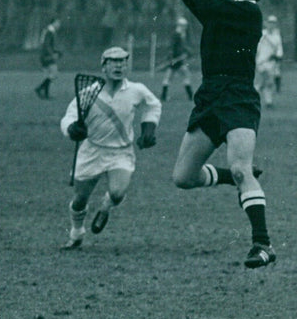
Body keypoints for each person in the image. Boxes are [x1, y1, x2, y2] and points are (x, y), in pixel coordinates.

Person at [161, 0, 275, 269]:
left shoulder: (248, 12)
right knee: (183, 177)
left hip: (239, 96)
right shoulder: (222, 10)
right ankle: (231, 177)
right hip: (210, 96)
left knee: (243, 168)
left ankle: (262, 244)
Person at [60, 46, 161, 249]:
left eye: (123, 62)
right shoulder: (88, 93)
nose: (119, 66)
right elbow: (69, 117)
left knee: (117, 193)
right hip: (92, 150)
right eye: (113, 62)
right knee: (80, 200)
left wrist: (148, 129)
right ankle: (77, 232)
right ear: (103, 66)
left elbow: (153, 105)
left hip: (121, 151)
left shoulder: (136, 90)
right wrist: (72, 129)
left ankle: (106, 206)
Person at [160, 17, 193, 102]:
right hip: (175, 60)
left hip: (178, 60)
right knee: (184, 75)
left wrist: (186, 52)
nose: (185, 27)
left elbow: (181, 47)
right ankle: (190, 96)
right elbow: (171, 47)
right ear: (180, 25)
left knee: (169, 77)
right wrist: (171, 58)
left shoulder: (181, 34)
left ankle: (164, 96)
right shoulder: (176, 34)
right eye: (184, 25)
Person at [255, 15, 284, 104]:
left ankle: (268, 101)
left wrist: (278, 55)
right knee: (263, 82)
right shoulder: (262, 34)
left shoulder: (277, 36)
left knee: (268, 83)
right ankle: (262, 101)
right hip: (261, 62)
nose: (271, 25)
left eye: (273, 23)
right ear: (266, 24)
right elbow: (257, 48)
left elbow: (279, 48)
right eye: (270, 23)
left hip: (271, 63)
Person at [35, 18, 62, 99]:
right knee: (54, 73)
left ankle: (45, 94)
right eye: (58, 23)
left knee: (48, 75)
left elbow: (47, 44)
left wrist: (56, 51)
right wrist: (52, 54)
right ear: (53, 23)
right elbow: (47, 45)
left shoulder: (48, 31)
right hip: (47, 56)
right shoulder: (50, 32)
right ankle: (39, 89)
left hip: (44, 55)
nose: (59, 25)